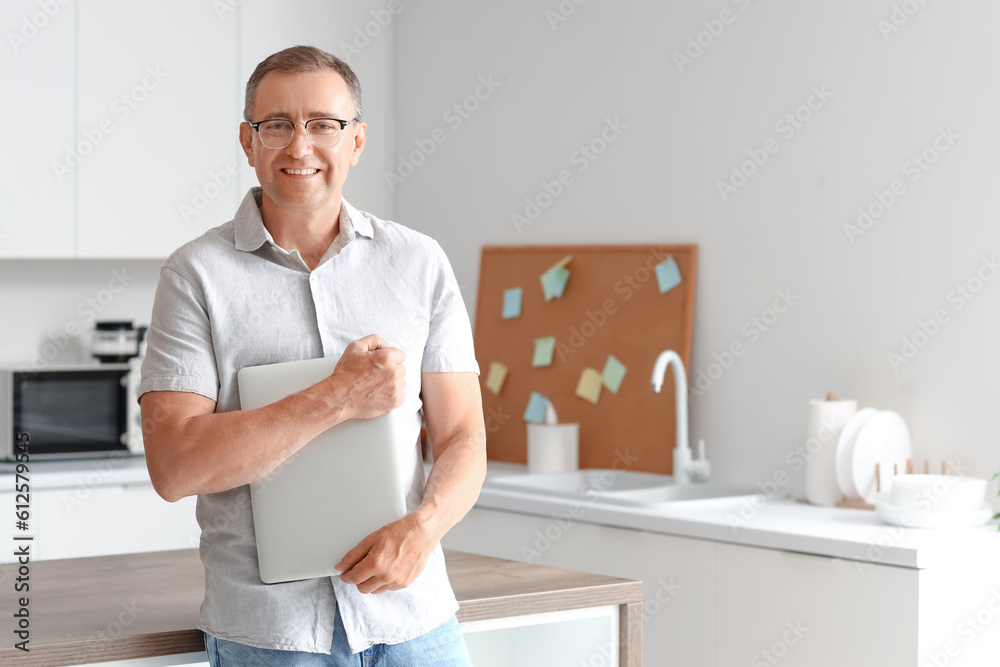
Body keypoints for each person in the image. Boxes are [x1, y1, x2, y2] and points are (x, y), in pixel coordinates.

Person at [138, 45, 485, 666]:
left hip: (416, 624)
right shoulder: (195, 275)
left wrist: (425, 527)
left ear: (356, 140)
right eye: (277, 125)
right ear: (248, 141)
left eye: (323, 124)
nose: (300, 147)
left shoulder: (419, 261)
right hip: (271, 637)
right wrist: (336, 397)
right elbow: (176, 466)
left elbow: (464, 437)